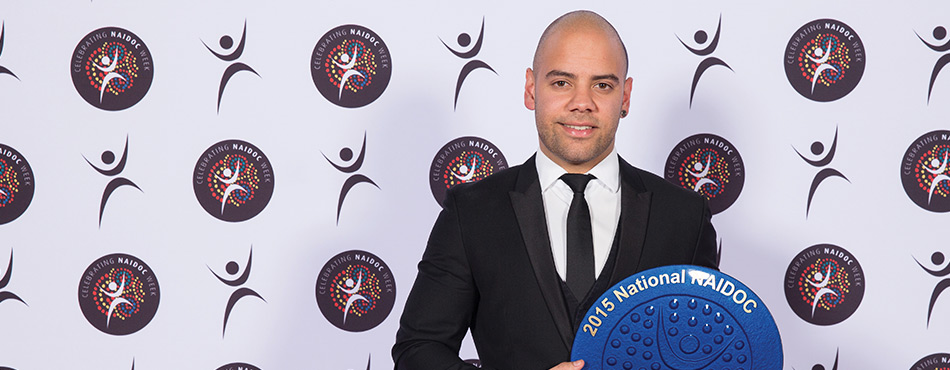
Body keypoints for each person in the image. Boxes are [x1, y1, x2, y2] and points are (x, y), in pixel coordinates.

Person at [393, 10, 718, 370]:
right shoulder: (472, 213)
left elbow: (708, 352)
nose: (582, 103)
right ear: (532, 89)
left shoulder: (684, 216)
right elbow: (418, 350)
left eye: (602, 85)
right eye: (562, 83)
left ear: (625, 97)